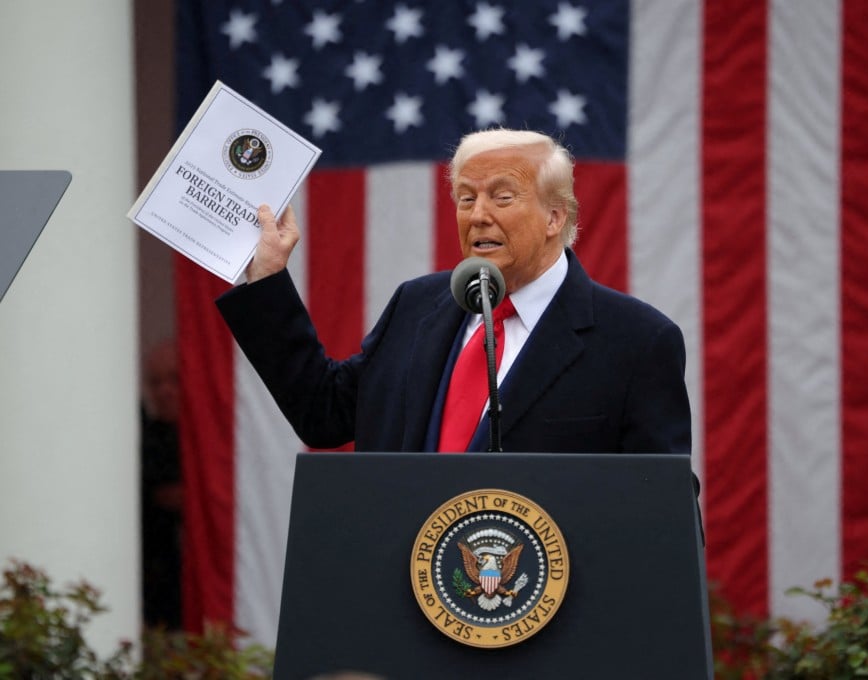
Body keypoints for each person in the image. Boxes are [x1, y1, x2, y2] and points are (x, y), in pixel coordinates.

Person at [216, 128, 691, 455]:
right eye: (467, 197)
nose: (478, 214)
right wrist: (268, 278)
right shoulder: (416, 307)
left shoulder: (636, 342)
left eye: (502, 197)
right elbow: (323, 412)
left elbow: (658, 500)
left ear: (555, 217)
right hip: (405, 585)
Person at [140, 339, 183, 629]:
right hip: (158, 584)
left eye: (175, 379)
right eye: (155, 383)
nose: (164, 391)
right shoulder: (143, 442)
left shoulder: (218, 442)